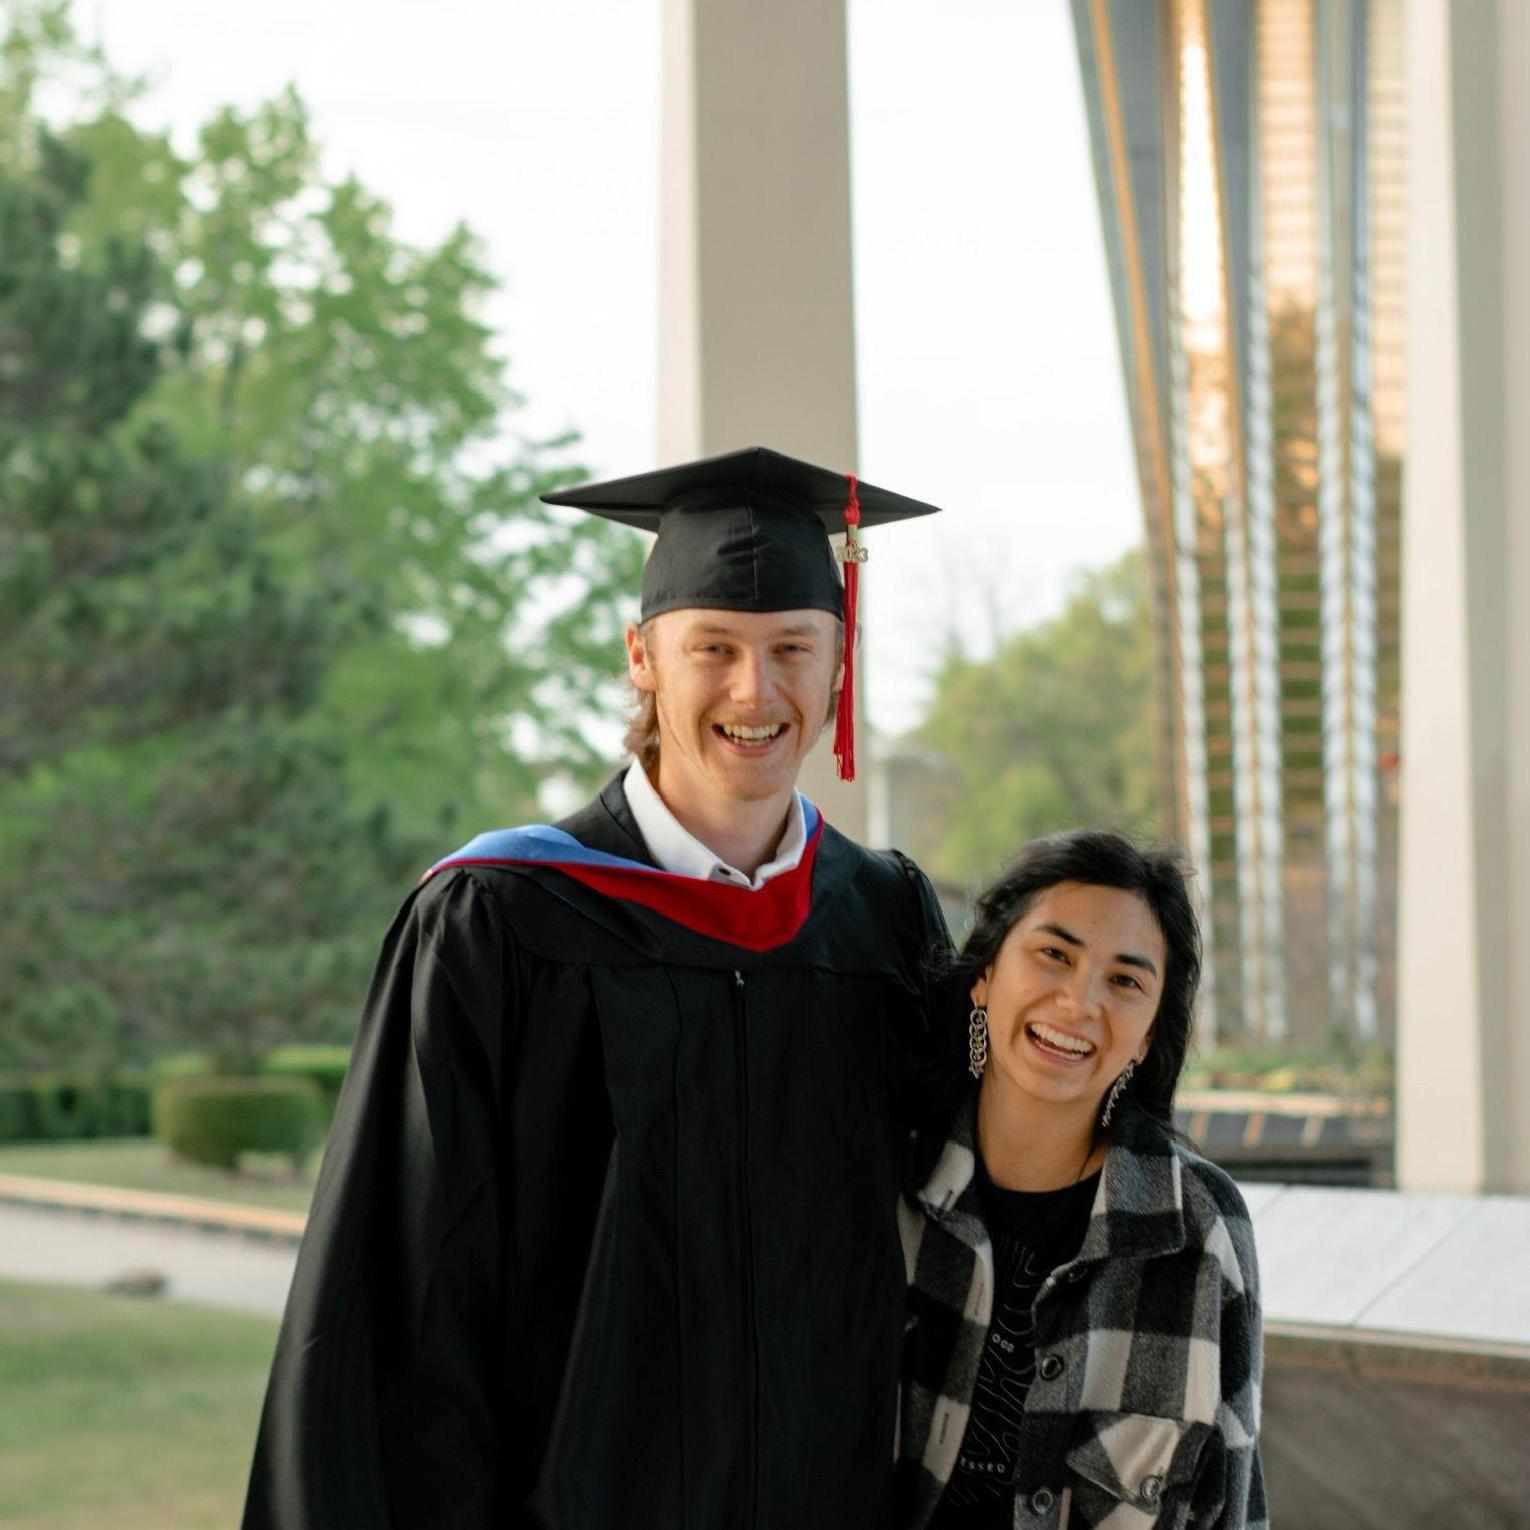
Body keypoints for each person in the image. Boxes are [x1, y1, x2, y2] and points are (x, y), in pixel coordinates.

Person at [242, 446, 952, 1530]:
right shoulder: (500, 919)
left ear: (838, 666)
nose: (755, 691)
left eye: (791, 649)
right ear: (642, 659)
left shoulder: (884, 922)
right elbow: (401, 1297)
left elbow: (974, 1168)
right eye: (712, 647)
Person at [898, 831, 1265, 1530]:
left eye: (1125, 981)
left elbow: (1235, 1506)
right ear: (985, 975)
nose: (1078, 1001)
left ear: (1150, 1034)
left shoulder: (1198, 1225)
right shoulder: (890, 1184)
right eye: (1054, 955)